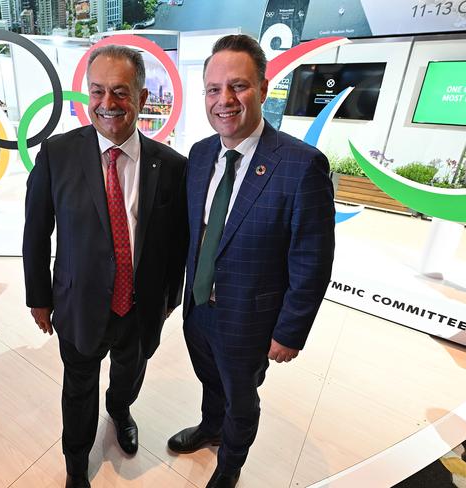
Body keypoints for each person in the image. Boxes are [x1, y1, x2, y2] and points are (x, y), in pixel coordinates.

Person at [167, 34, 335, 488]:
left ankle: (229, 467)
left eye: (238, 86)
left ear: (262, 87)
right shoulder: (201, 155)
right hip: (199, 307)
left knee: (242, 398)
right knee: (209, 379)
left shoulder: (302, 166)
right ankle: (210, 427)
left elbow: (313, 260)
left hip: (251, 320)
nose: (224, 100)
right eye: (213, 89)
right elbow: (195, 235)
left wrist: (289, 331)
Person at [23, 45, 188, 488]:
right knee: (78, 391)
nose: (107, 103)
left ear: (142, 97)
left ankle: (120, 411)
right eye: (97, 91)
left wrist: (168, 301)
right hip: (78, 305)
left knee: (130, 372)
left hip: (140, 307)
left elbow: (177, 245)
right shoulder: (56, 155)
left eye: (120, 92)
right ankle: (76, 462)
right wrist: (39, 298)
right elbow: (36, 233)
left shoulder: (172, 166)